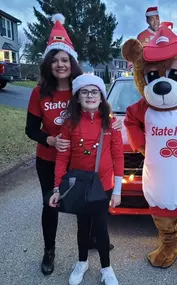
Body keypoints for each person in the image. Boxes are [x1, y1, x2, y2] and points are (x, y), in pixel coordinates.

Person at [25, 14, 121, 276]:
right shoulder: (39, 92)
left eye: (64, 59)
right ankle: (49, 250)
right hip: (49, 158)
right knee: (51, 204)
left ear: (72, 62)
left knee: (87, 197)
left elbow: (101, 111)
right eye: (54, 60)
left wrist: (115, 123)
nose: (60, 65)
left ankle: (90, 240)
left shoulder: (81, 89)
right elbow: (30, 129)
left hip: (79, 157)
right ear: (48, 64)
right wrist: (50, 139)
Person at [49, 74, 123, 285]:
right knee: (82, 226)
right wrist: (57, 188)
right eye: (84, 91)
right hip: (79, 187)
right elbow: (62, 157)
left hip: (104, 185)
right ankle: (82, 262)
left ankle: (106, 268)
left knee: (100, 226)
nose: (90, 96)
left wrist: (117, 190)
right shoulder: (70, 124)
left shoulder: (111, 123)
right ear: (77, 97)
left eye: (94, 92)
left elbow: (118, 156)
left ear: (101, 96)